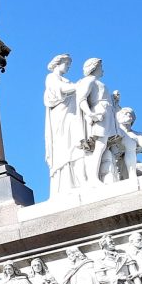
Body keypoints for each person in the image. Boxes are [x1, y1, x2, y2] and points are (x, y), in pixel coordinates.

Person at [43, 54, 85, 196]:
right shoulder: (51, 77)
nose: (68, 67)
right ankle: (65, 183)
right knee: (64, 146)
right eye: (66, 64)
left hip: (70, 115)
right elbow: (60, 89)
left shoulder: (66, 80)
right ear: (58, 63)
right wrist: (78, 86)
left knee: (74, 145)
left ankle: (77, 181)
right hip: (61, 116)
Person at [75, 58, 121, 185]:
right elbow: (82, 99)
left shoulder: (97, 82)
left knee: (103, 146)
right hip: (100, 113)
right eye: (101, 67)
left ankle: (96, 176)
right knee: (100, 146)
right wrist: (91, 114)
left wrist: (113, 99)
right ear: (94, 68)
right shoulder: (89, 81)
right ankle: (93, 178)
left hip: (107, 113)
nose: (103, 70)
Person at [115, 106, 142, 180]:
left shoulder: (137, 134)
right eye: (124, 114)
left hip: (130, 162)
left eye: (129, 114)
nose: (127, 115)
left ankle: (132, 176)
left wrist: (139, 150)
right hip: (114, 161)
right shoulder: (114, 131)